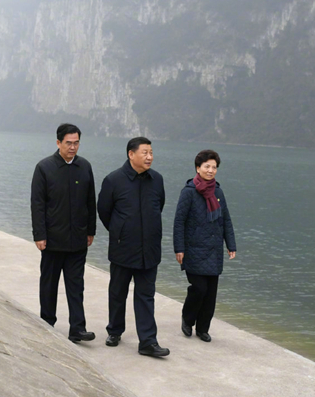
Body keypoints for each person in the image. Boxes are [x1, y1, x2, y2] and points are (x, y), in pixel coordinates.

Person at [97, 136, 169, 357]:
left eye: (151, 153)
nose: (150, 157)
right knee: (118, 292)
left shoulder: (157, 180)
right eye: (145, 152)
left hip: (149, 249)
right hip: (123, 248)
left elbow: (159, 206)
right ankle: (114, 331)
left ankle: (148, 341)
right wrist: (120, 231)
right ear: (131, 154)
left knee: (146, 295)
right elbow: (104, 211)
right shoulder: (113, 180)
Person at [30, 123, 96, 343]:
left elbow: (90, 201)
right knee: (49, 284)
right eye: (68, 143)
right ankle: (46, 323)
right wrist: (39, 234)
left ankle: (78, 328)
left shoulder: (84, 166)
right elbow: (37, 204)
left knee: (76, 286)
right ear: (58, 143)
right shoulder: (44, 167)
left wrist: (90, 230)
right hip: (52, 240)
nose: (73, 147)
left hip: (78, 240)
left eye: (76, 143)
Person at [173, 149, 237, 342]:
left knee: (210, 294)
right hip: (194, 249)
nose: (210, 170)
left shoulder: (218, 191)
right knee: (199, 288)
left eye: (214, 167)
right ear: (198, 168)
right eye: (207, 166)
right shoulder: (189, 192)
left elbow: (226, 219)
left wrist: (231, 244)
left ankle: (203, 329)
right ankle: (187, 318)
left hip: (214, 250)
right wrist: (179, 248)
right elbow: (179, 222)